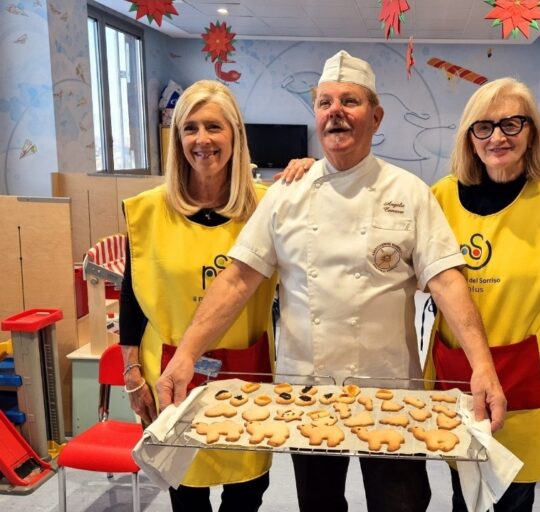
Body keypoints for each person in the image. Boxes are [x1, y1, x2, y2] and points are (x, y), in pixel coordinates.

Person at [156, 50, 507, 512]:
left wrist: (482, 365)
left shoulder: (409, 192)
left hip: (390, 388)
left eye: (349, 101)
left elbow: (446, 281)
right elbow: (238, 279)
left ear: (376, 117)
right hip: (308, 390)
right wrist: (186, 355)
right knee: (319, 505)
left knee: (400, 505)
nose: (334, 112)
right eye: (324, 103)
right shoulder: (286, 192)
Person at [119, 79, 304, 511]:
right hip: (170, 373)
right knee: (186, 493)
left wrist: (313, 171)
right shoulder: (149, 211)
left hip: (245, 375)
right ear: (177, 139)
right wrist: (131, 372)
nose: (202, 139)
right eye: (190, 128)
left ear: (235, 135)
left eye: (214, 127)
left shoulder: (268, 205)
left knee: (247, 492)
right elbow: (132, 297)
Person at [424, 77, 540, 511]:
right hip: (458, 370)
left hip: (530, 376)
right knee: (463, 487)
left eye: (511, 124)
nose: (497, 137)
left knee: (514, 494)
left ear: (531, 131)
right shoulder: (440, 197)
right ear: (470, 136)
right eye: (483, 126)